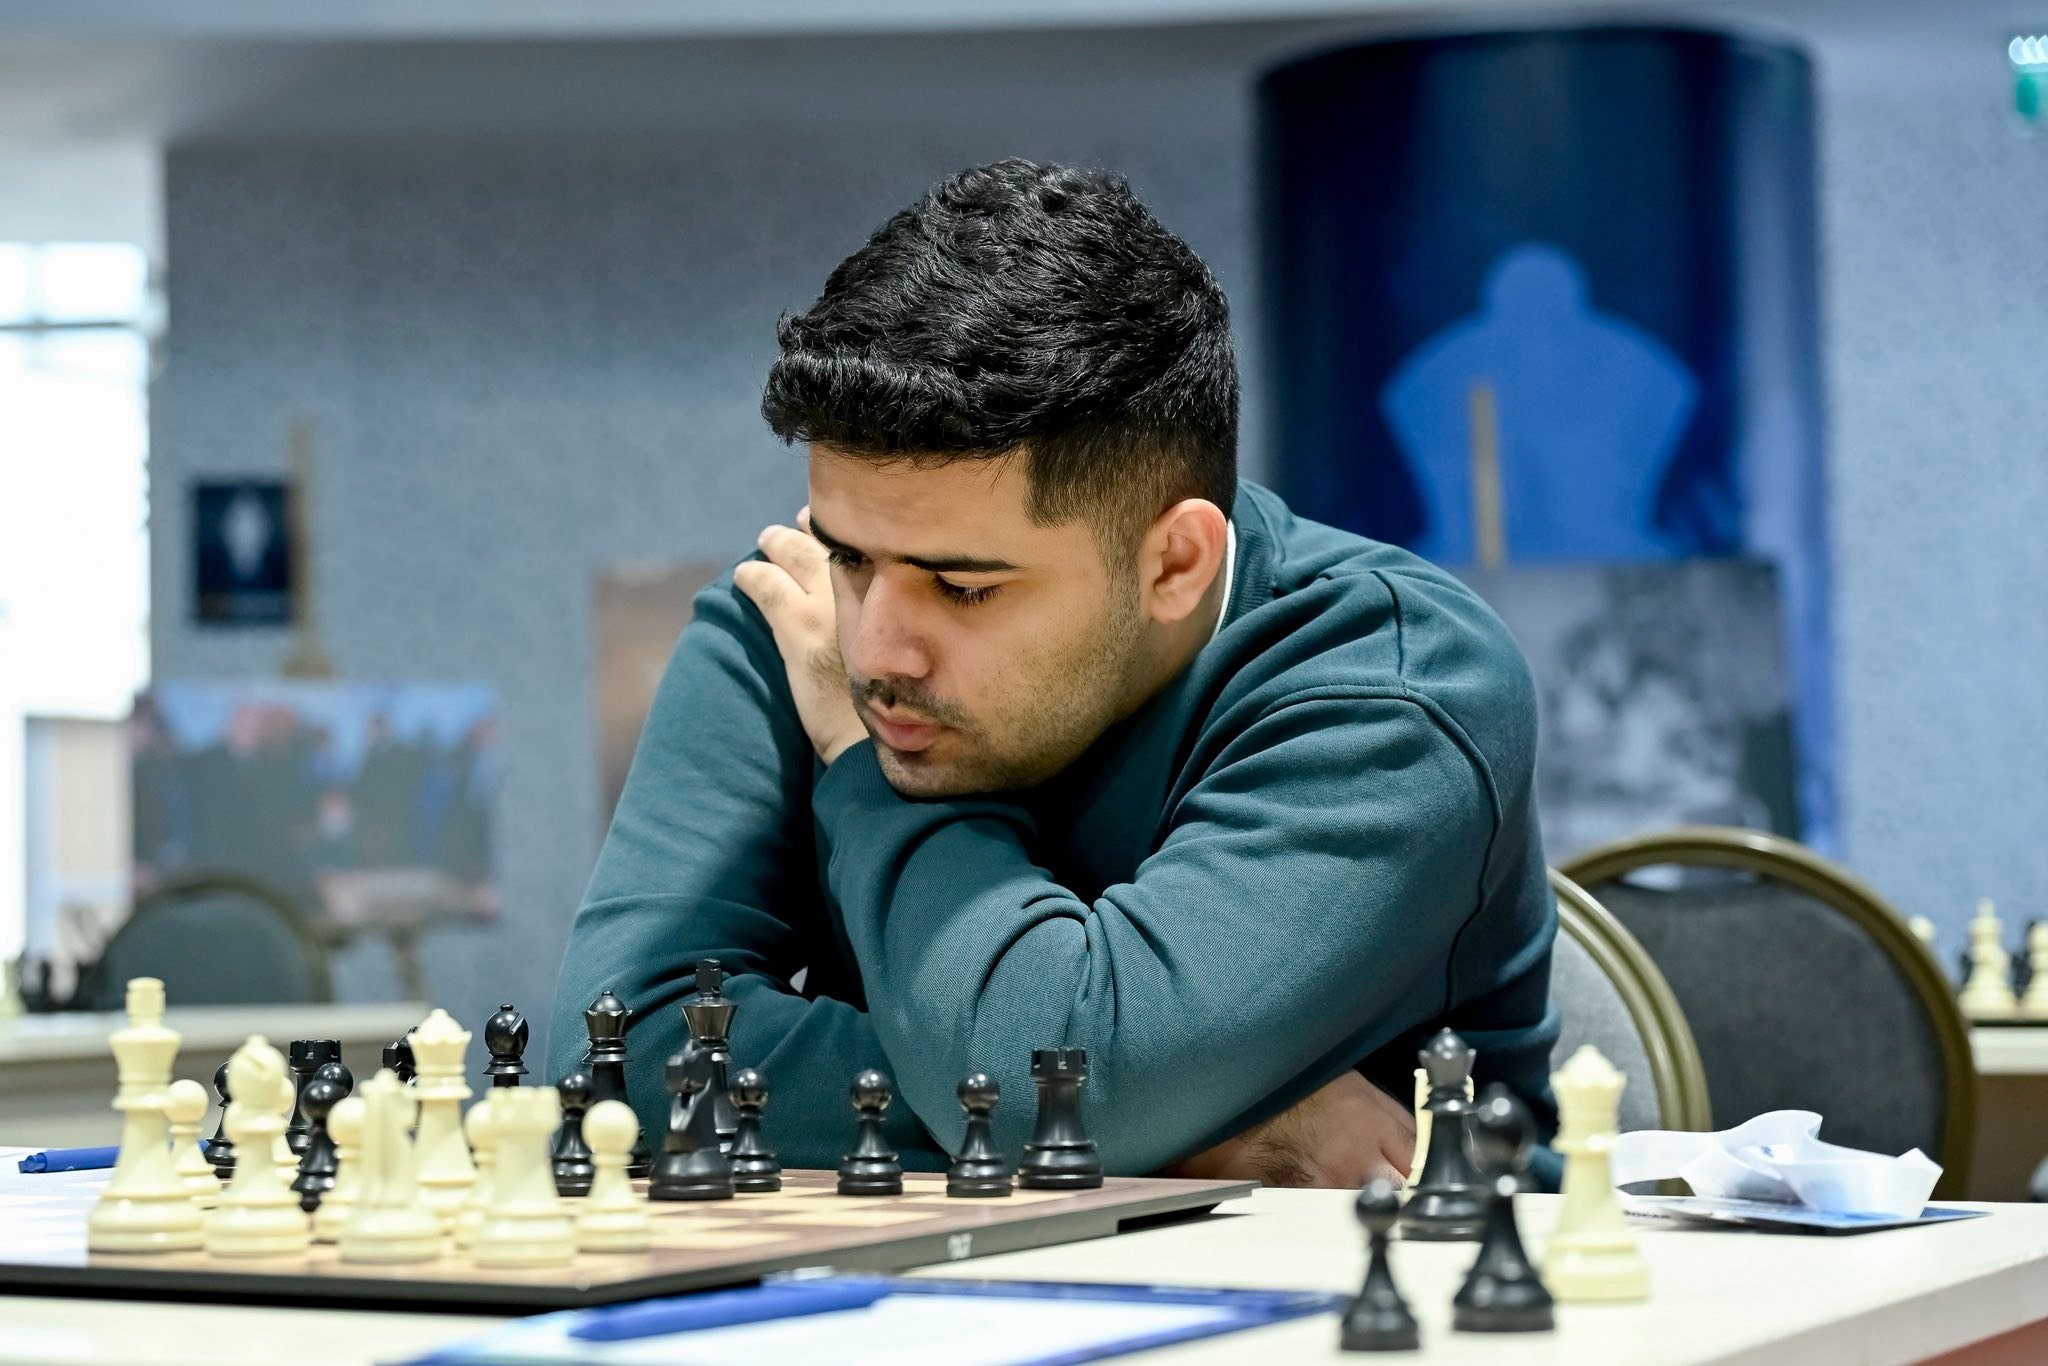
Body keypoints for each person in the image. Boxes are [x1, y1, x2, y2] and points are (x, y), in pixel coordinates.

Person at [549, 159, 1557, 1188]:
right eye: (850, 554)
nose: (875, 653)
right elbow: (608, 1062)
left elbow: (1065, 1084)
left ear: (1173, 564)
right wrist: (1170, 1128)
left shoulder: (1393, 687)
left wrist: (861, 764)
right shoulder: (797, 617)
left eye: (963, 587)